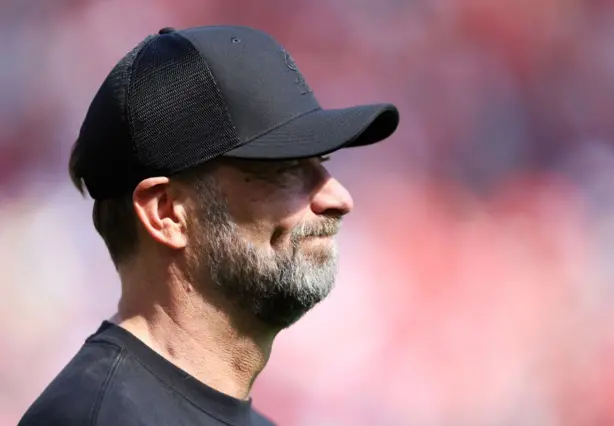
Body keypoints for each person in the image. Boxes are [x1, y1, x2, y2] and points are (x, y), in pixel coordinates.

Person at [18, 25, 399, 426]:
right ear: (166, 212)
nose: (339, 199)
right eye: (285, 167)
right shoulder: (95, 417)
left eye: (321, 164)